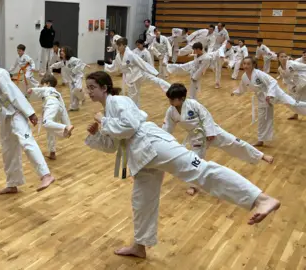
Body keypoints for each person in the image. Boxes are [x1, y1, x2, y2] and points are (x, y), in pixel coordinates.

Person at [84, 71, 280, 259]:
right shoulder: (108, 109)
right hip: (140, 156)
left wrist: (103, 120)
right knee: (142, 201)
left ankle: (260, 199)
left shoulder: (119, 101)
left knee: (201, 170)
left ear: (105, 87)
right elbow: (113, 145)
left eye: (92, 87)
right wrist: (97, 134)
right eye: (88, 88)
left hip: (152, 143)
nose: (89, 91)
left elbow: (130, 126)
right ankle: (139, 245)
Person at [163, 83, 274, 196]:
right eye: (169, 99)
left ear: (182, 98)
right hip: (196, 138)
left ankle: (260, 156)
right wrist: (164, 140)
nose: (170, 102)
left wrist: (210, 132)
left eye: (173, 99)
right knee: (195, 161)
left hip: (212, 132)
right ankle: (193, 186)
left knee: (235, 142)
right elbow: (167, 127)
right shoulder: (171, 111)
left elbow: (206, 117)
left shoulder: (193, 104)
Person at [0, 45, 55, 194]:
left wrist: (30, 113)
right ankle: (12, 184)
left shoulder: (0, 74)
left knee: (27, 142)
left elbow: (15, 94)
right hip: (4, 116)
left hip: (17, 114)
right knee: (8, 150)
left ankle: (46, 175)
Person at [231, 57, 306, 146]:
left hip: (276, 94)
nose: (246, 66)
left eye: (248, 64)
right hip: (263, 99)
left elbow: (273, 81)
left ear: (253, 65)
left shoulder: (259, 74)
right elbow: (242, 88)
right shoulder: (244, 76)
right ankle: (260, 140)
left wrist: (270, 94)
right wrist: (235, 92)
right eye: (244, 63)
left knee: (294, 105)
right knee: (262, 118)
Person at [105, 37, 170, 106]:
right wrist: (104, 66)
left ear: (124, 46)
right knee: (133, 96)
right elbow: (114, 67)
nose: (118, 47)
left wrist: (154, 72)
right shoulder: (118, 56)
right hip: (131, 78)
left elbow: (142, 63)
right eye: (117, 45)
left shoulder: (130, 54)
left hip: (139, 74)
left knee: (155, 80)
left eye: (119, 45)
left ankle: (171, 88)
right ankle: (135, 110)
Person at [26, 74, 74, 160]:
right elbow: (63, 109)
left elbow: (40, 90)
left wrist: (31, 90)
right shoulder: (57, 93)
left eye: (43, 84)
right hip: (58, 108)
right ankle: (52, 152)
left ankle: (65, 128)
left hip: (51, 105)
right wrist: (66, 122)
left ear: (47, 83)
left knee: (47, 123)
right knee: (50, 130)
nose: (42, 86)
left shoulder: (47, 89)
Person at [49, 46, 87, 111]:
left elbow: (80, 62)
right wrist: (51, 66)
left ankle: (83, 97)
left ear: (67, 52)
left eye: (63, 51)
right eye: (60, 51)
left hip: (77, 77)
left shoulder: (72, 59)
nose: (61, 52)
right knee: (72, 93)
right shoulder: (63, 61)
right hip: (71, 79)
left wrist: (74, 70)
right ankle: (74, 106)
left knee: (77, 89)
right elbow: (58, 65)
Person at [277, 51, 306, 120]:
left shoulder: (292, 64)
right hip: (296, 84)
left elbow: (304, 67)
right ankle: (296, 114)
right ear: (278, 58)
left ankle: (296, 114)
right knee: (293, 100)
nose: (284, 58)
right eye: (282, 57)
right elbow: (286, 78)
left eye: (285, 56)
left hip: (303, 81)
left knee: (298, 99)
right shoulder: (280, 69)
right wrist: (289, 85)